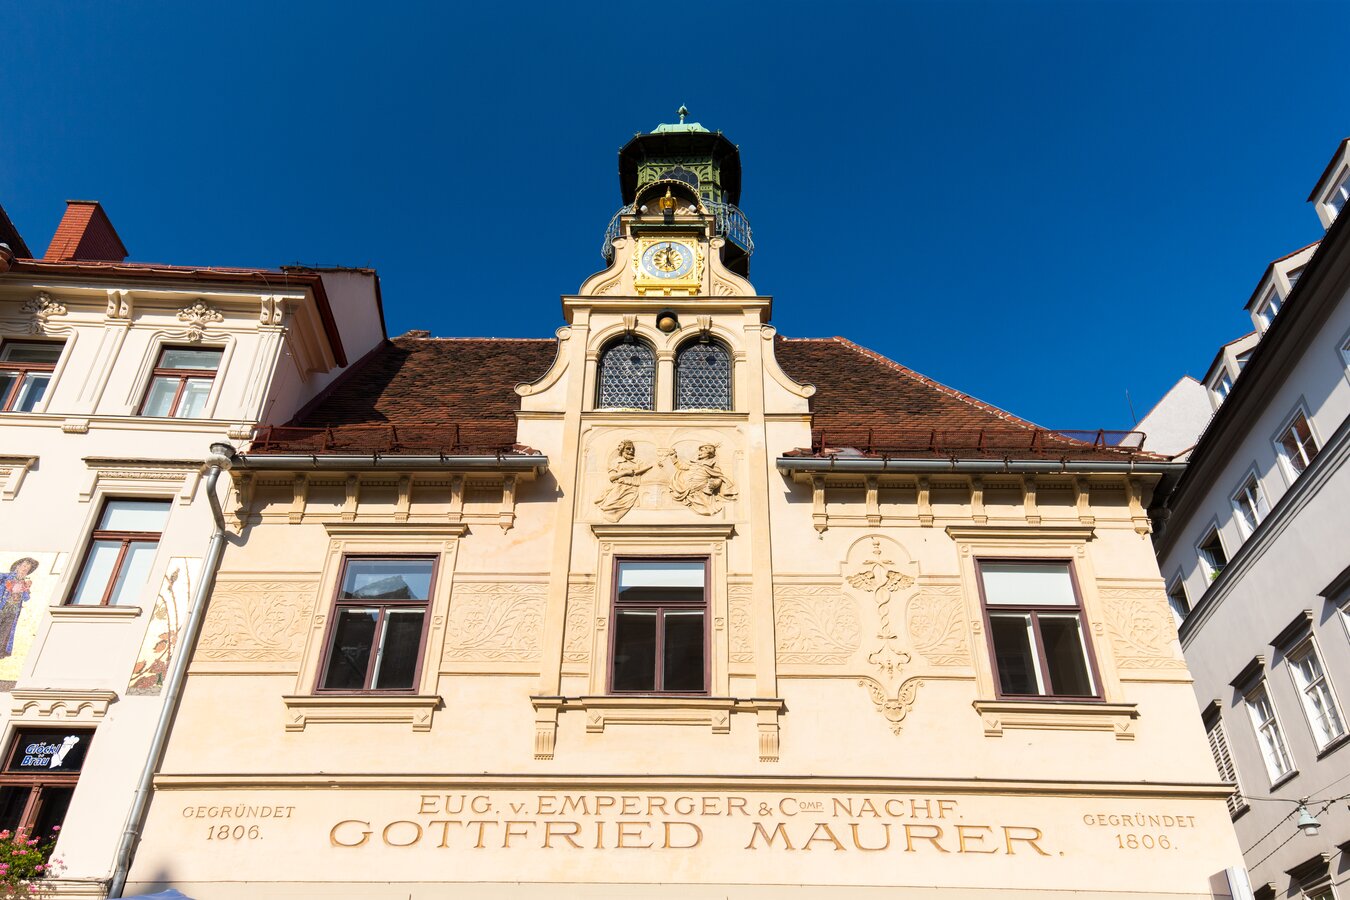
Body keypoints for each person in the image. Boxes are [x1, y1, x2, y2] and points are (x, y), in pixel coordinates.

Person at [594, 441, 653, 522]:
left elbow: (647, 467)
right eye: (628, 449)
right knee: (608, 506)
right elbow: (612, 477)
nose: (631, 451)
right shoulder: (616, 462)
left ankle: (615, 517)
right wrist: (625, 472)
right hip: (619, 488)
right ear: (622, 450)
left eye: (633, 449)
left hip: (632, 489)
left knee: (627, 508)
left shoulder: (637, 462)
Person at [0, 558, 38, 658]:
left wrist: (27, 588)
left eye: (28, 568)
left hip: (12, 612)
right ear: (18, 566)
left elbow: (26, 598)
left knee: (4, 633)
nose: (25, 569)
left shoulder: (24, 583)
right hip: (1, 607)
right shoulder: (6, 576)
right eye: (24, 566)